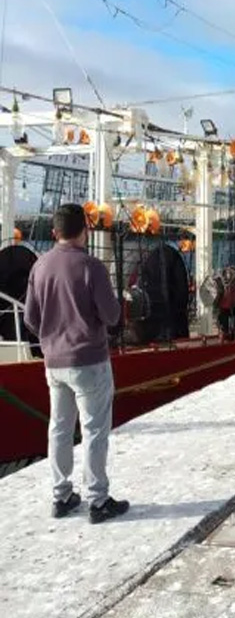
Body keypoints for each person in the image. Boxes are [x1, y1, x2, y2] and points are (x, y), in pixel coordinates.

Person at [24, 204, 130, 524]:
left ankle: (62, 496)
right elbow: (112, 316)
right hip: (89, 361)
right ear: (84, 230)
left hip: (53, 362)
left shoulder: (39, 267)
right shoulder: (91, 266)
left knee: (58, 427)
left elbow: (30, 318)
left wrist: (52, 335)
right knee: (94, 430)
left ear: (55, 233)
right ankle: (98, 501)